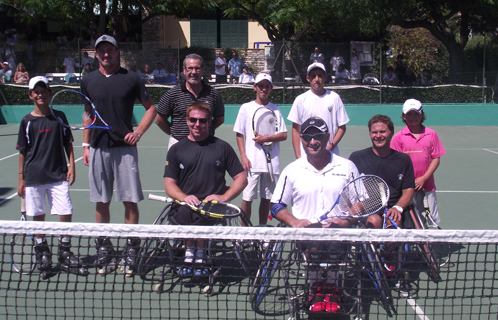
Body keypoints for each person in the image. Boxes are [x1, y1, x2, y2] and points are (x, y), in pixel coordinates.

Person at [81, 34, 157, 276]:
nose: (106, 54)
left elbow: (151, 108)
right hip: (98, 148)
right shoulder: (87, 80)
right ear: (96, 54)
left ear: (117, 52)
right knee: (101, 201)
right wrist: (85, 145)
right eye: (101, 50)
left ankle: (131, 248)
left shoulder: (132, 78)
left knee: (129, 200)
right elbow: (88, 114)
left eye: (110, 50)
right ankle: (104, 247)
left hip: (125, 150)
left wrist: (139, 132)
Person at [271, 117, 360, 313]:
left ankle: (331, 287)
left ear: (327, 137)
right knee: (314, 246)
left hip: (339, 233)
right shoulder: (292, 170)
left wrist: (346, 220)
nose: (313, 141)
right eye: (308, 137)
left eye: (318, 136)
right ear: (301, 139)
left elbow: (360, 202)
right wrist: (294, 221)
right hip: (307, 235)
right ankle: (315, 288)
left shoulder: (347, 167)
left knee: (335, 247)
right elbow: (276, 205)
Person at [164, 101, 247, 277]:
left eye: (202, 121)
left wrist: (224, 197)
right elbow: (169, 184)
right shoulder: (176, 150)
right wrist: (184, 197)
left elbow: (241, 178)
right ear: (187, 120)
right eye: (193, 120)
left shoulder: (222, 147)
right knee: (186, 214)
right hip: (185, 204)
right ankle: (189, 254)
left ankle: (200, 256)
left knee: (201, 216)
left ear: (209, 122)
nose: (197, 124)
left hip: (213, 206)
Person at [16, 76, 86, 278]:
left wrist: (72, 166)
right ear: (30, 95)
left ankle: (64, 252)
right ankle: (42, 253)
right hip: (34, 176)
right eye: (36, 92)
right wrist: (21, 178)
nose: (40, 94)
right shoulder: (26, 121)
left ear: (49, 93)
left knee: (66, 211)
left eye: (43, 90)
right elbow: (22, 150)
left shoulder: (59, 117)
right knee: (38, 214)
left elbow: (68, 143)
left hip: (58, 175)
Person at [233, 73, 287, 227]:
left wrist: (266, 139)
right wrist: (243, 156)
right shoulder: (246, 108)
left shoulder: (276, 110)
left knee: (267, 198)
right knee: (247, 198)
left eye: (267, 86)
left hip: (271, 164)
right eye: (260, 85)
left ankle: (262, 230)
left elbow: (283, 135)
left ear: (271, 89)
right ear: (254, 87)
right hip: (251, 163)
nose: (264, 89)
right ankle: (244, 235)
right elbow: (239, 134)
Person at [349, 115, 415, 229]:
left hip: (393, 210)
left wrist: (397, 208)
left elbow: (408, 190)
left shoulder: (404, 160)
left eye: (382, 132)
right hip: (367, 210)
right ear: (370, 134)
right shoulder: (356, 158)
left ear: (391, 132)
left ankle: (392, 247)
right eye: (374, 132)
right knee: (374, 220)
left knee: (394, 221)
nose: (378, 136)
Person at [391, 99, 445, 225]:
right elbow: (395, 163)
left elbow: (436, 158)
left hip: (427, 187)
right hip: (405, 189)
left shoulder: (431, 135)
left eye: (416, 113)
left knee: (427, 220)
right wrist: (408, 183)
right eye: (409, 114)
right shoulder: (398, 137)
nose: (413, 117)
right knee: (408, 222)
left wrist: (423, 179)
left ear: (422, 114)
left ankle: (426, 244)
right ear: (403, 116)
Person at [155, 53, 225, 149]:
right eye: (190, 68)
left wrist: (205, 130)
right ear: (184, 70)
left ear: (203, 70)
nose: (193, 72)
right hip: (178, 145)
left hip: (206, 145)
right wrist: (176, 133)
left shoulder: (214, 94)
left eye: (197, 68)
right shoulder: (172, 94)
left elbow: (219, 119)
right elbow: (159, 120)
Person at [288, 62, 350, 158]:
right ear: (308, 79)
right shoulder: (300, 100)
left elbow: (342, 127)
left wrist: (331, 146)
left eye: (320, 76)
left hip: (330, 155)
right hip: (307, 157)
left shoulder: (334, 97)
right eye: (313, 76)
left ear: (325, 77)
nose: (317, 79)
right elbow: (296, 130)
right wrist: (298, 155)